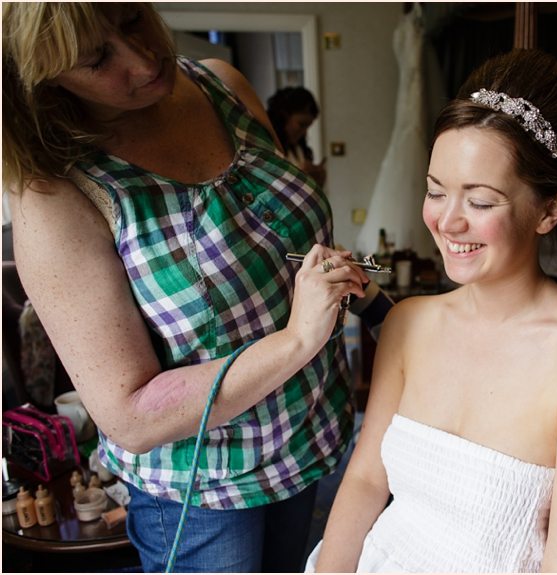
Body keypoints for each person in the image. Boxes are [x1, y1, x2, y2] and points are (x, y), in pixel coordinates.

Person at [2, 3, 392, 572]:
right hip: (203, 495)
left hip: (310, 445)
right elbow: (131, 416)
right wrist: (295, 341)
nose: (142, 60)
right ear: (44, 75)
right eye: (97, 57)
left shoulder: (223, 85)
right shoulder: (54, 194)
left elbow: (265, 240)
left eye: (133, 19)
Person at [307, 49, 557, 573]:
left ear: (550, 209)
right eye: (436, 192)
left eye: (480, 202)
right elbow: (368, 480)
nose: (447, 223)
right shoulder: (407, 323)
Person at [266, 86, 327, 187]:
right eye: (301, 125)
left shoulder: (299, 148)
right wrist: (298, 177)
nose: (305, 133)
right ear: (283, 117)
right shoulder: (267, 148)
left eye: (308, 126)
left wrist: (318, 182)